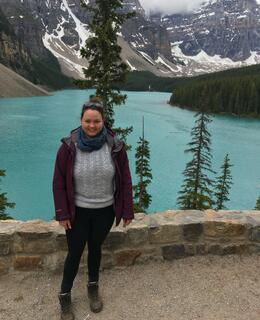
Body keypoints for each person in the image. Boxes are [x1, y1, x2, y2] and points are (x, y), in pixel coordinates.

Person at [52, 97, 134, 320]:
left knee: (95, 248)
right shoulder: (68, 147)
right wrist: (62, 213)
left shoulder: (115, 146)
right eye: (87, 120)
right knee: (75, 252)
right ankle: (65, 295)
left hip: (105, 211)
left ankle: (92, 287)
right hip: (77, 212)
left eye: (96, 121)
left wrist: (127, 210)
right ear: (81, 120)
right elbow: (58, 182)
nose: (91, 125)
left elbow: (125, 180)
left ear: (103, 121)